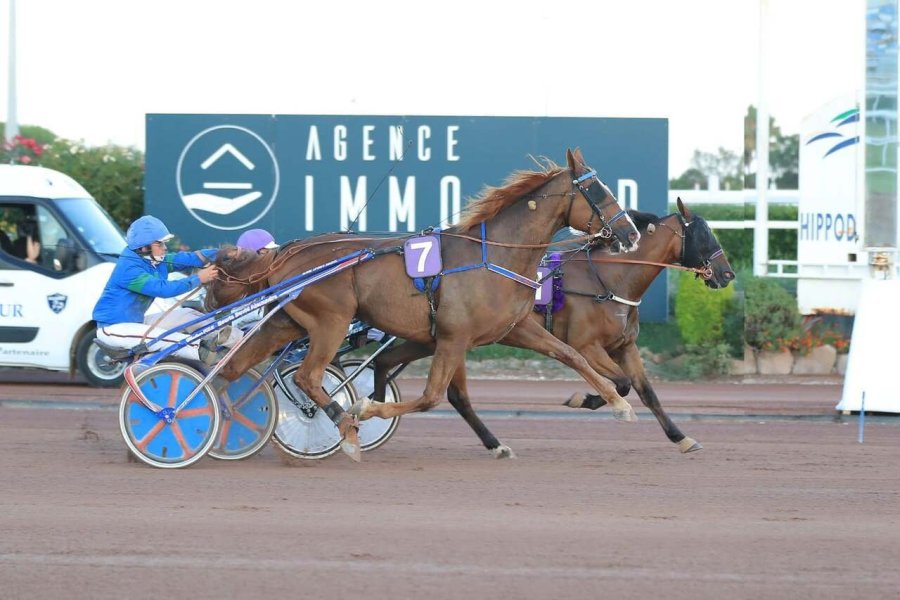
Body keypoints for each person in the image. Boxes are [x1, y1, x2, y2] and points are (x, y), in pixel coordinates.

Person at [92, 215, 240, 364]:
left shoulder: (151, 259)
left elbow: (188, 258)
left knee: (187, 315)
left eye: (164, 243)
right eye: (160, 244)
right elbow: (164, 290)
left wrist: (224, 254)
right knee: (170, 338)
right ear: (144, 247)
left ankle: (233, 340)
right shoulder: (129, 270)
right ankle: (209, 356)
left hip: (135, 323)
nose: (165, 248)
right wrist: (199, 278)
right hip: (114, 331)